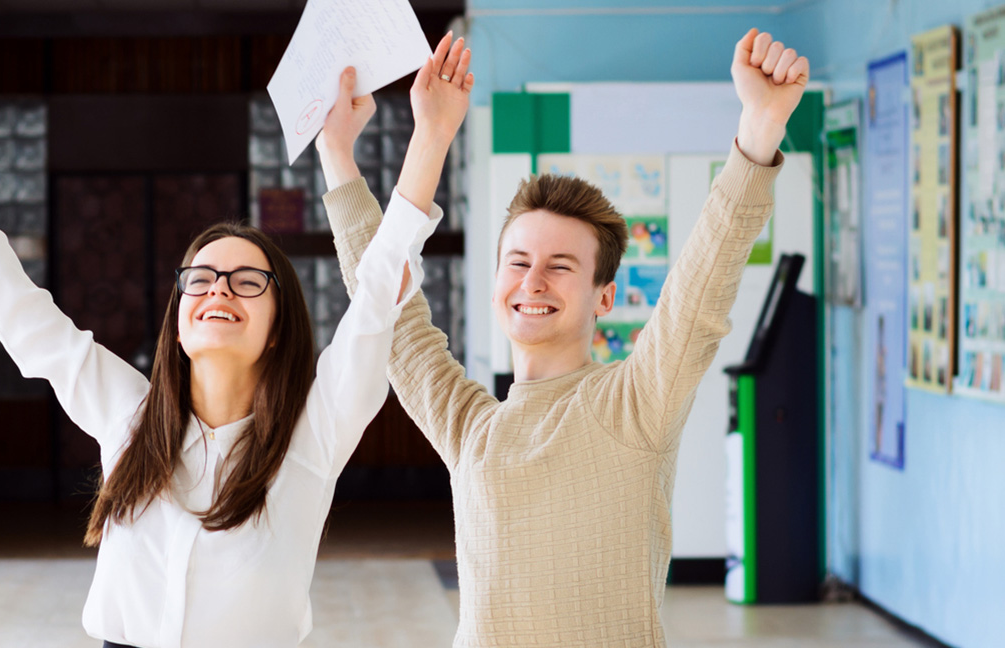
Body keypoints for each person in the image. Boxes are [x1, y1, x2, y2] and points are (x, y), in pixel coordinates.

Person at [0, 40, 461, 646]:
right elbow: (11, 299)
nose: (218, 291)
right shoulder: (129, 415)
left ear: (279, 325)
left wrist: (430, 137)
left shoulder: (315, 431)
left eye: (247, 282)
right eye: (200, 280)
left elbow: (381, 288)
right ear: (178, 320)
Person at [318, 28, 808, 646]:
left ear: (605, 296)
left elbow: (699, 293)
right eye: (518, 261)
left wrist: (759, 129)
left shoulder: (634, 405)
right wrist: (337, 153)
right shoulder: (472, 427)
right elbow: (387, 313)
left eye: (561, 266)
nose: (533, 281)